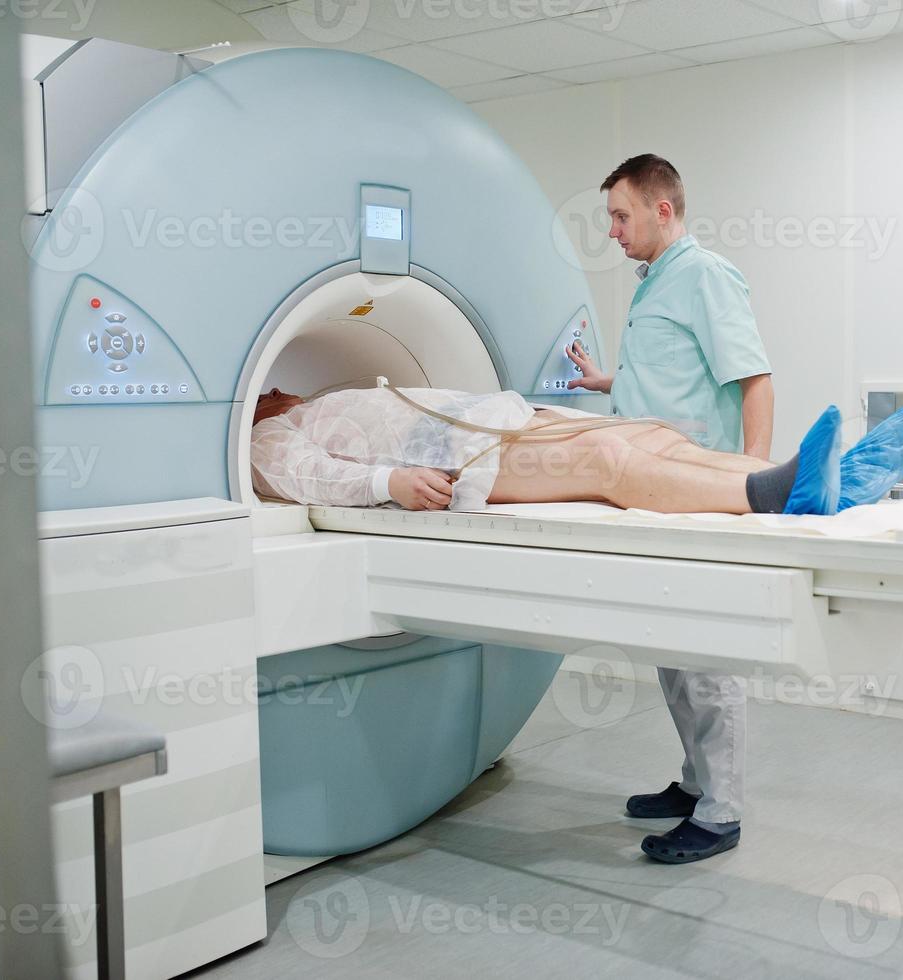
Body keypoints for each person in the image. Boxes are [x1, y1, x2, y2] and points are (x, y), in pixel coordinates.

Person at [562, 154, 778, 864]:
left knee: (706, 662)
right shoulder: (656, 283)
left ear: (663, 209)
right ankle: (694, 783)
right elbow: (667, 379)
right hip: (651, 495)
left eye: (621, 217)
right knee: (670, 652)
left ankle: (720, 813)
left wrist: (748, 481)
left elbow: (753, 381)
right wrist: (606, 381)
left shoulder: (705, 275)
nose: (613, 232)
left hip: (698, 494)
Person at [247, 384, 844, 517]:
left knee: (652, 435)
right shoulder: (266, 435)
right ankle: (764, 495)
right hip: (465, 456)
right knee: (607, 461)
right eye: (262, 389)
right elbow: (308, 476)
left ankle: (801, 478)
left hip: (501, 419)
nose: (274, 386)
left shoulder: (314, 400)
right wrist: (389, 485)